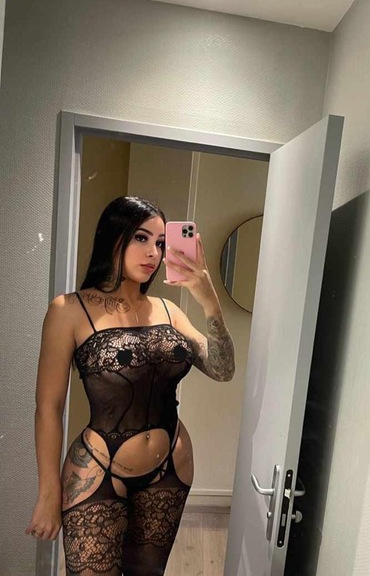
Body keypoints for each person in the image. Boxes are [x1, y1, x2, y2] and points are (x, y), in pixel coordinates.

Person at [25, 196, 235, 575]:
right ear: (113, 236)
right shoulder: (68, 310)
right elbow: (49, 408)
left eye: (160, 243)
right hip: (97, 470)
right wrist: (48, 493)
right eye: (141, 238)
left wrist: (208, 301)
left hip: (170, 469)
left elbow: (222, 370)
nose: (153, 252)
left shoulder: (169, 311)